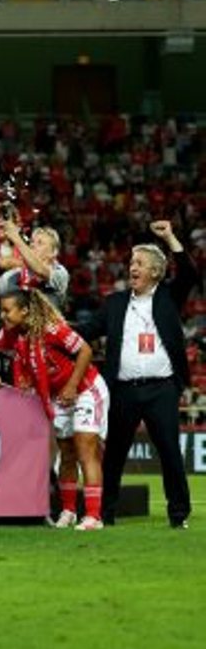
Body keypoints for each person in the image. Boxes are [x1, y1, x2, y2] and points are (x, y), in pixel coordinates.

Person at [76, 221, 196, 529]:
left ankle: (179, 515)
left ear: (156, 272)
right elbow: (88, 331)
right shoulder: (115, 303)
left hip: (161, 389)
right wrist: (55, 330)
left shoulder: (169, 298)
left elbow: (190, 274)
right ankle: (105, 513)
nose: (133, 268)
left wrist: (170, 236)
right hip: (123, 389)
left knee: (170, 451)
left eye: (140, 263)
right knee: (114, 454)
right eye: (131, 262)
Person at [0, 288, 110, 531]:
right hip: (59, 397)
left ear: (24, 311)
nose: (3, 316)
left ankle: (94, 516)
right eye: (1, 311)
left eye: (7, 311)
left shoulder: (53, 329)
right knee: (66, 453)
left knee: (85, 447)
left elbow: (85, 350)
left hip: (85, 389)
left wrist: (73, 386)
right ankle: (69, 511)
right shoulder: (15, 335)